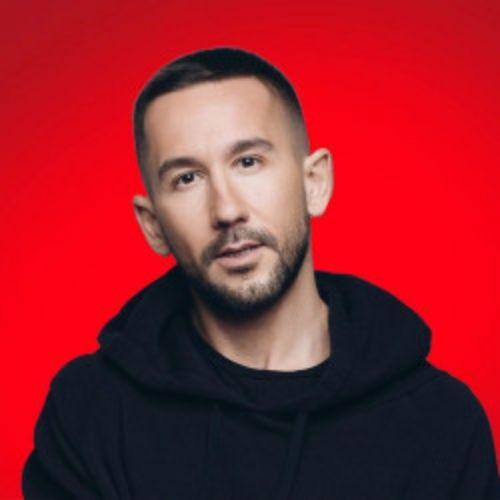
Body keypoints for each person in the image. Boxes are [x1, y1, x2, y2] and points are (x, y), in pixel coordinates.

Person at [23, 47, 500, 499]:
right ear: (153, 225)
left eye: (248, 162)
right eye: (187, 178)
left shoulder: (441, 422)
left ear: (315, 182)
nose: (226, 209)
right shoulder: (90, 410)